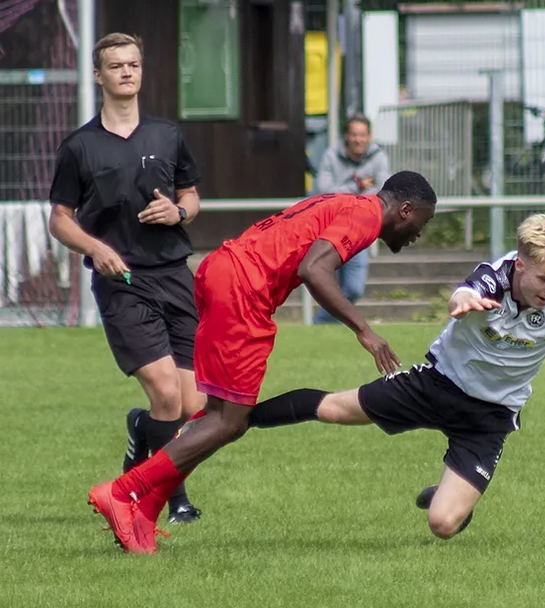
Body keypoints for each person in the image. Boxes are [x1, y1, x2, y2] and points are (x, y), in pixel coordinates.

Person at [87, 171, 438, 553]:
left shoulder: (349, 203)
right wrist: (364, 330)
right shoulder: (366, 216)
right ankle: (122, 493)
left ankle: (146, 510)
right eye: (424, 220)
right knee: (228, 420)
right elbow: (313, 269)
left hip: (224, 272)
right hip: (244, 288)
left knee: (221, 418)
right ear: (405, 210)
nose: (420, 230)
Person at [48, 32, 205, 523]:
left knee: (193, 403)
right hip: (123, 281)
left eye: (133, 64)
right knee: (165, 392)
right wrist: (96, 249)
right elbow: (59, 218)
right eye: (115, 66)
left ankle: (141, 442)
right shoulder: (80, 146)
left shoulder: (167, 135)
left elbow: (192, 198)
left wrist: (177, 212)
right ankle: (166, 496)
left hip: (175, 276)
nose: (126, 72)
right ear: (99, 76)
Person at [313, 113, 391, 323]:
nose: (358, 139)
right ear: (346, 136)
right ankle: (327, 327)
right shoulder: (331, 155)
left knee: (354, 289)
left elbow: (385, 191)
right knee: (328, 286)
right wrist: (356, 187)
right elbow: (324, 192)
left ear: (369, 136)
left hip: (358, 230)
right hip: (329, 230)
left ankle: (321, 323)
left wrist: (348, 197)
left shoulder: (378, 156)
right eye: (354, 135)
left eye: (363, 135)